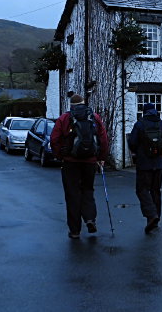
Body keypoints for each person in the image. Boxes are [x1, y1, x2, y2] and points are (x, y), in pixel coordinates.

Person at [51, 94, 108, 239]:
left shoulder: (64, 118)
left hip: (70, 162)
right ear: (84, 104)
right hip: (89, 161)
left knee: (72, 195)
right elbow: (103, 138)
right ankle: (90, 219)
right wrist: (101, 157)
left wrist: (60, 156)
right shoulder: (94, 117)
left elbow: (54, 139)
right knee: (88, 190)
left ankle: (75, 230)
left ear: (71, 105)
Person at [128, 102, 162, 233]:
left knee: (142, 190)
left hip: (144, 164)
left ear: (144, 112)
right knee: (155, 190)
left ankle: (151, 215)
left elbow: (131, 142)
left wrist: (140, 152)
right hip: (158, 164)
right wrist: (160, 151)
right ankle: (156, 218)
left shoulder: (139, 124)